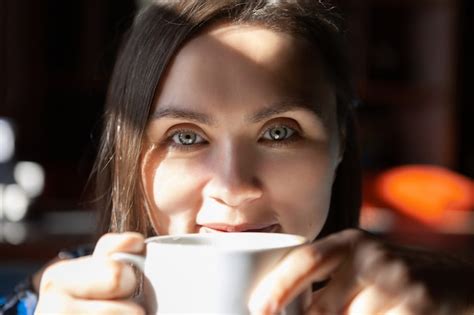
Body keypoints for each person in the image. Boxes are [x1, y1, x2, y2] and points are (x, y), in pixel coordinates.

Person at [2, 0, 473, 314]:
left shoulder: (411, 297)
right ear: (130, 154)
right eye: (186, 138)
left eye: (280, 132)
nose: (232, 188)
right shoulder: (58, 299)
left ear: (341, 146)